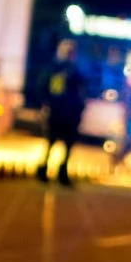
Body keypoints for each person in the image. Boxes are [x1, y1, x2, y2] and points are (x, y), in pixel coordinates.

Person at [37, 39, 87, 186]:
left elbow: (82, 92)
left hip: (69, 112)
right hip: (58, 110)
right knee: (52, 141)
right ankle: (46, 169)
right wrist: (46, 103)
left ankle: (60, 172)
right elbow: (44, 88)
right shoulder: (55, 69)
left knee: (67, 144)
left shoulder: (75, 70)